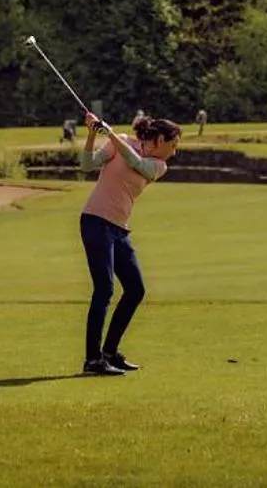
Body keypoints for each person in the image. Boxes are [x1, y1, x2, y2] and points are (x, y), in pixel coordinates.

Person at [77, 111, 181, 376]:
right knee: (104, 288)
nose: (175, 151)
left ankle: (109, 352)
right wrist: (92, 134)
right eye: (174, 144)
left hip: (118, 229)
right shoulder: (120, 141)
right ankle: (92, 360)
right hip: (95, 221)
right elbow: (87, 165)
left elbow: (136, 163)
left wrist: (109, 132)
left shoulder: (158, 166)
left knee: (135, 289)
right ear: (159, 139)